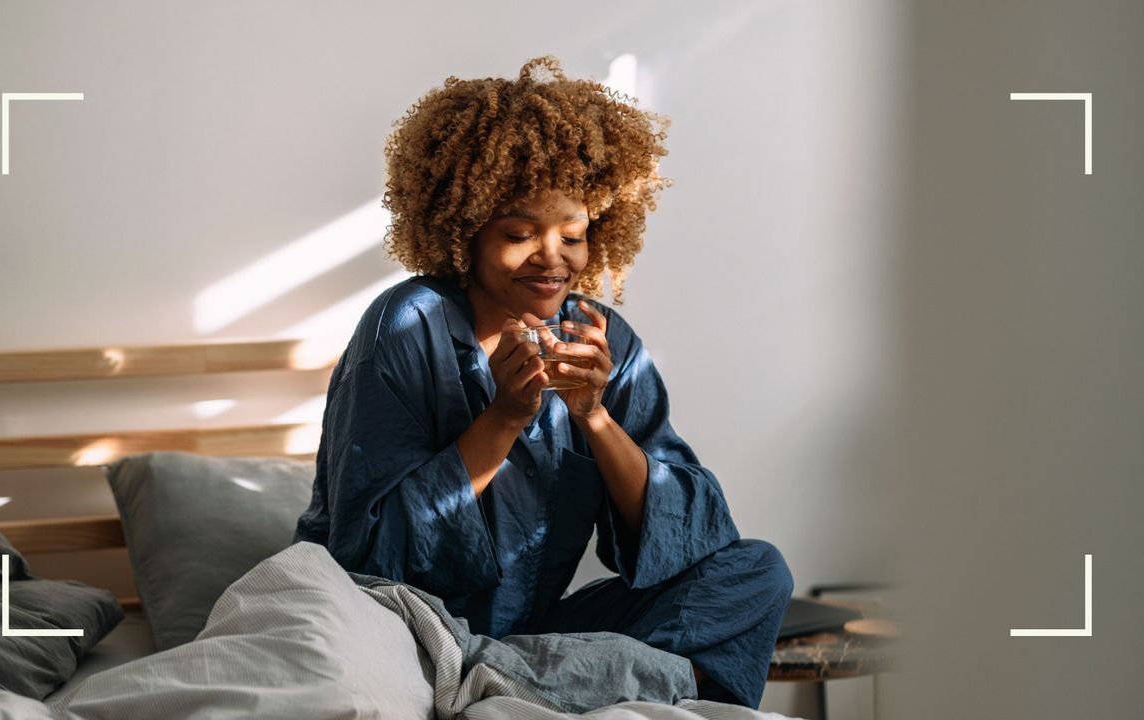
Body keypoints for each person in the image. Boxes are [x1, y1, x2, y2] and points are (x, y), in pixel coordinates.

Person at [293, 56, 793, 709]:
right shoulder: (404, 329)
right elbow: (374, 557)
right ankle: (550, 683)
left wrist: (594, 415)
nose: (552, 257)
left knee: (755, 572)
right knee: (377, 631)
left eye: (574, 235)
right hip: (403, 630)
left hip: (530, 638)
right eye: (520, 233)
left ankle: (513, 681)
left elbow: (694, 539)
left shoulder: (597, 335)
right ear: (464, 232)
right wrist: (503, 417)